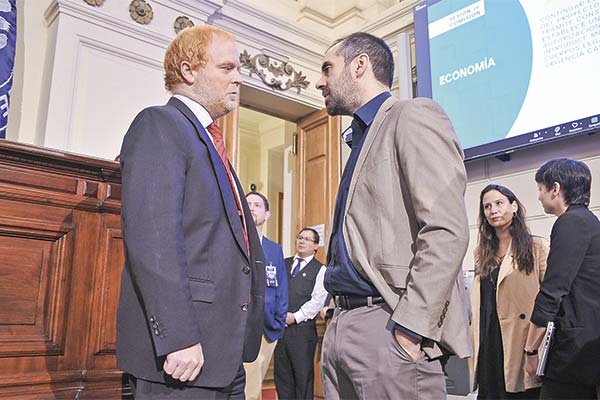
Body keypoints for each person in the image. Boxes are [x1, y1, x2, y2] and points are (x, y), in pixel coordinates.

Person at [316, 32, 472, 399]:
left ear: (359, 65)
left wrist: (411, 327)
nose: (320, 81)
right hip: (342, 325)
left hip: (388, 325)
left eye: (327, 68)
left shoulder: (412, 115)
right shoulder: (358, 138)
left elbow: (446, 230)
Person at [117, 25, 265, 398]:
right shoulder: (160, 124)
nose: (238, 79)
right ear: (188, 70)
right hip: (184, 354)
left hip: (223, 354)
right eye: (227, 68)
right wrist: (178, 335)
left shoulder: (212, 143)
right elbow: (152, 239)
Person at [524, 158, 600, 400]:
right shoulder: (588, 221)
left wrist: (530, 350)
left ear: (555, 188)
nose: (539, 197)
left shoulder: (571, 222)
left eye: (540, 189)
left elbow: (553, 290)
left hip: (575, 350)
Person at [470, 184, 549, 399]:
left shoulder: (536, 247)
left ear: (514, 206)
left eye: (499, 203)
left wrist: (537, 345)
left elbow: (550, 298)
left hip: (521, 339)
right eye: (487, 206)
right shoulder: (482, 253)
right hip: (489, 338)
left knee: (519, 393)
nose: (493, 210)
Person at [243, 192, 288, 400]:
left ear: (267, 214)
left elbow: (281, 288)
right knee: (243, 387)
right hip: (238, 325)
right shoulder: (235, 242)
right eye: (248, 203)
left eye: (257, 205)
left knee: (255, 385)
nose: (251, 207)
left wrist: (279, 320)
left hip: (267, 327)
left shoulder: (274, 249)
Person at [274, 227, 328, 400]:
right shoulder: (284, 263)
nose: (301, 241)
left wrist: (295, 317)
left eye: (307, 239)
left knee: (302, 378)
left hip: (302, 332)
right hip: (280, 330)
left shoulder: (320, 270)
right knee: (282, 377)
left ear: (315, 246)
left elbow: (317, 300)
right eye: (299, 238)